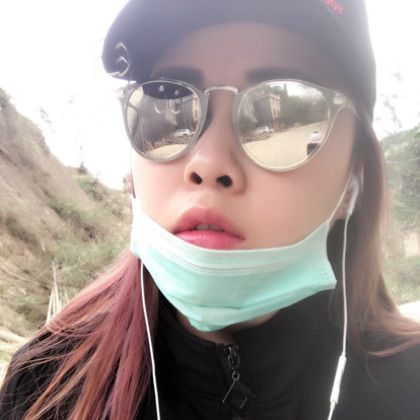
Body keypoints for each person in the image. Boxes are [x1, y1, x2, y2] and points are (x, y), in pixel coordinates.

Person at [1, 0, 420, 419]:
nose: (209, 162)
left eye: (286, 112)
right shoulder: (45, 385)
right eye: (166, 105)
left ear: (353, 180)